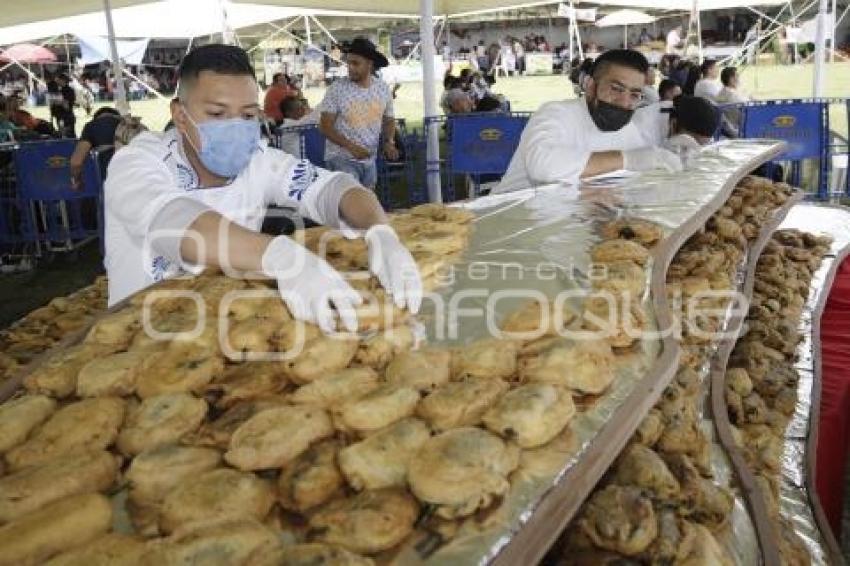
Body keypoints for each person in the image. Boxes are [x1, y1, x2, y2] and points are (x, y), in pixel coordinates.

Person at [103, 44, 421, 332]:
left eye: (248, 115)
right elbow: (178, 223)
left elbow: (333, 187)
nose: (234, 126)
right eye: (216, 113)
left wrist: (380, 232)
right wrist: (282, 257)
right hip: (138, 337)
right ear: (180, 116)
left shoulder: (257, 161)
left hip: (230, 332)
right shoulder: (137, 163)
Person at [495, 49, 682, 194]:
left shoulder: (628, 131)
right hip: (510, 218)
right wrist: (628, 159)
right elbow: (542, 165)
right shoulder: (555, 113)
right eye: (616, 89)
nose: (624, 102)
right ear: (591, 86)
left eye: (634, 94)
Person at [318, 37, 398, 190]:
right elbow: (325, 126)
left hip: (369, 159)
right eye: (348, 63)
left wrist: (389, 141)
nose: (350, 67)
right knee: (351, 205)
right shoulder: (337, 89)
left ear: (370, 64)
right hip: (340, 159)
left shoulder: (382, 88)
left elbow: (389, 120)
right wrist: (351, 147)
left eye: (356, 63)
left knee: (367, 205)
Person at [70, 107, 122, 187]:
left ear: (96, 118)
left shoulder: (91, 126)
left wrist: (77, 181)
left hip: (109, 181)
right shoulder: (130, 125)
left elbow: (76, 162)